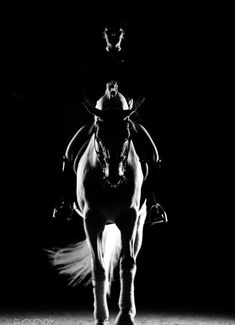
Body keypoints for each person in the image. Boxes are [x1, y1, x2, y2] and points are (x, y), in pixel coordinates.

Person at [53, 22, 167, 225]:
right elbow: (86, 91)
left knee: (154, 155)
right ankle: (66, 203)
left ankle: (154, 205)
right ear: (105, 36)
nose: (113, 36)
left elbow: (140, 91)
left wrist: (132, 106)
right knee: (69, 155)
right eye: (110, 33)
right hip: (101, 118)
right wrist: (94, 109)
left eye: (117, 33)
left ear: (122, 36)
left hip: (126, 118)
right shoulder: (96, 62)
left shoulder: (129, 62)